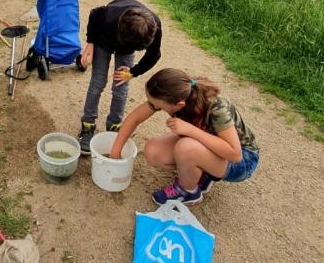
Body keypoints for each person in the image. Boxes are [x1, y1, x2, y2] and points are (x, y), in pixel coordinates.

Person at [109, 68, 260, 206]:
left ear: (179, 104)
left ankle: (188, 191)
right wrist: (115, 152)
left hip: (243, 160)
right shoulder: (175, 92)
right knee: (153, 151)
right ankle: (201, 173)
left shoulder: (215, 105)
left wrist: (191, 130)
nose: (156, 108)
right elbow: (135, 118)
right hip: (210, 148)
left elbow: (235, 154)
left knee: (185, 147)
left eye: (160, 107)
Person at [77, 0, 162, 154]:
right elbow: (94, 14)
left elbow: (154, 55)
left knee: (120, 85)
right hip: (105, 40)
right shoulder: (109, 16)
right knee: (98, 82)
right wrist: (90, 43)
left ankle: (114, 125)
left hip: (128, 42)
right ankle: (88, 125)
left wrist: (133, 72)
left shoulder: (153, 27)